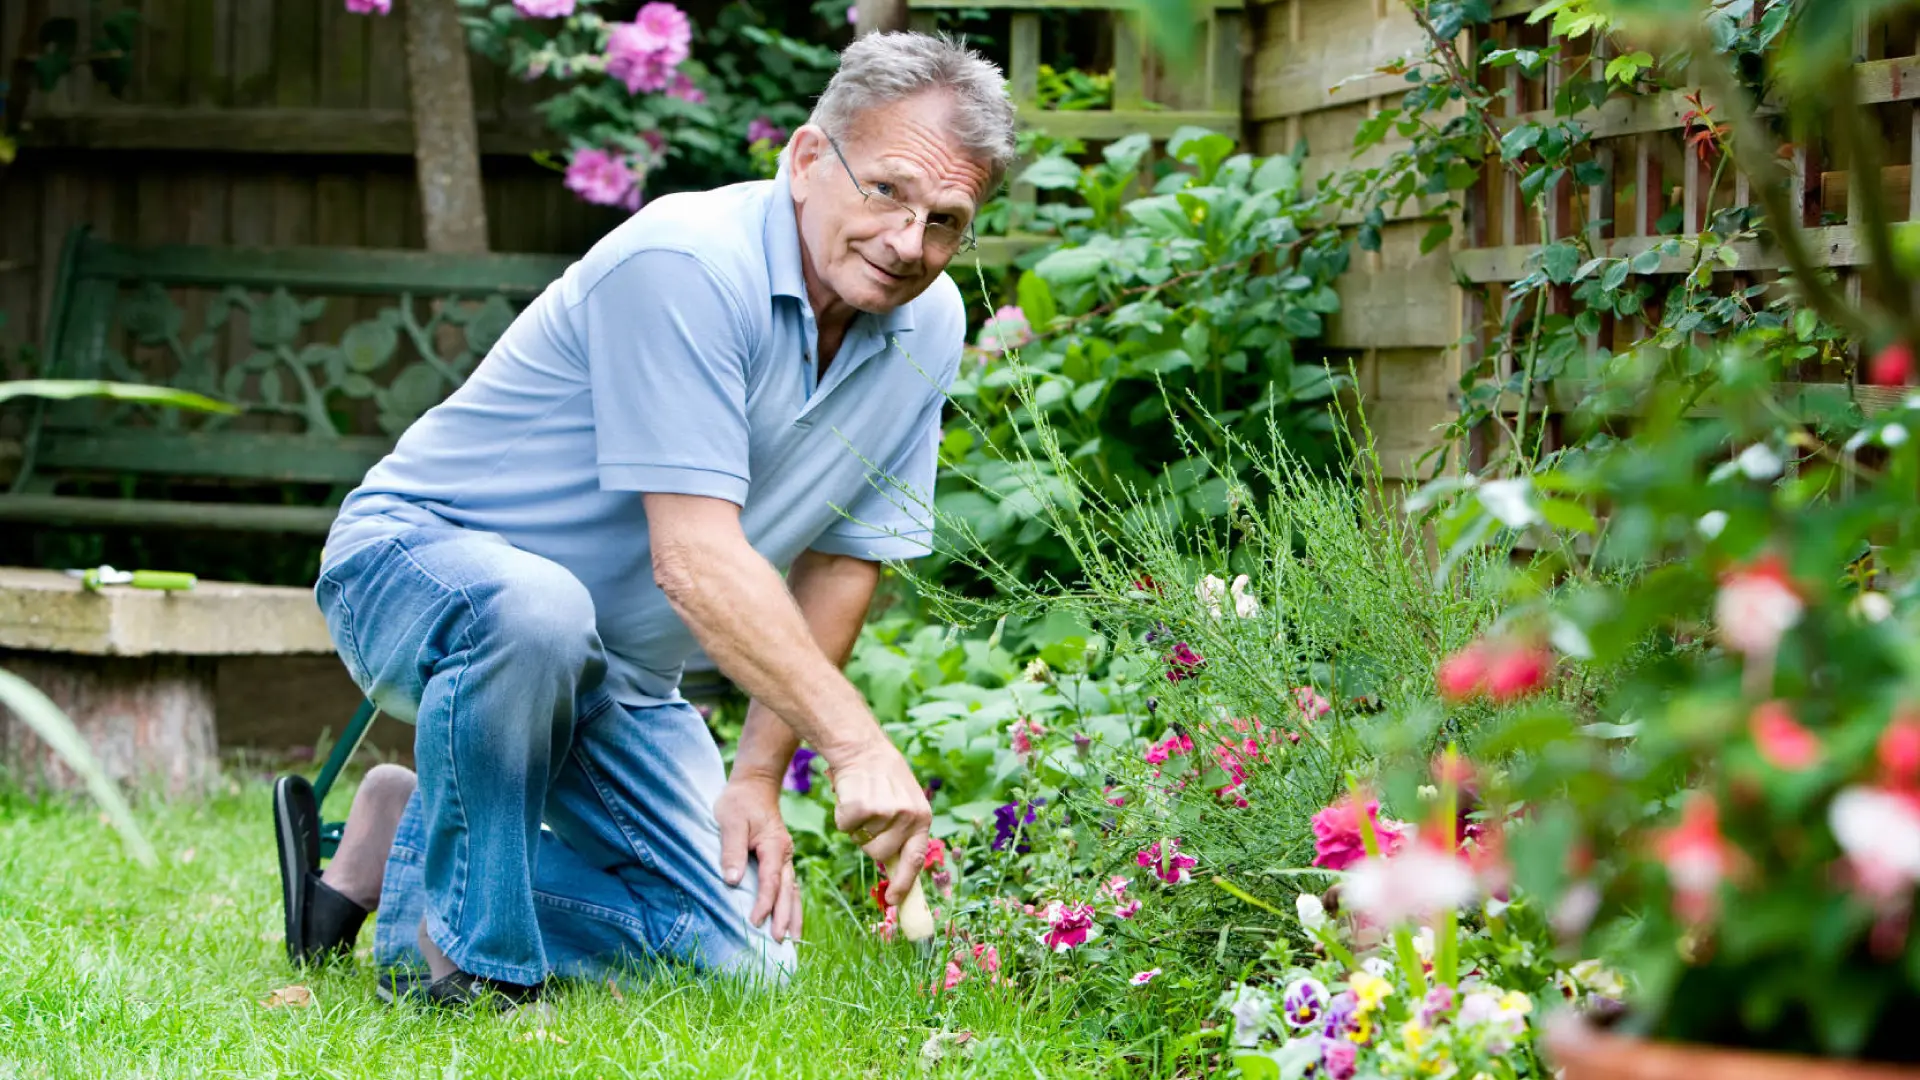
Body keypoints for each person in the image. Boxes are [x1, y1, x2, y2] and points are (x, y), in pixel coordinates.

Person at [270, 31, 1016, 1011]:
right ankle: (462, 968)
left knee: (743, 961)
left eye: (945, 220)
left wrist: (756, 778)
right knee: (538, 608)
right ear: (806, 158)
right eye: (886, 191)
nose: (909, 243)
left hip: (617, 670)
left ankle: (406, 836)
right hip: (418, 571)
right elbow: (696, 561)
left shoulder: (929, 322)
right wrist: (852, 744)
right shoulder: (687, 262)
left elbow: (841, 560)